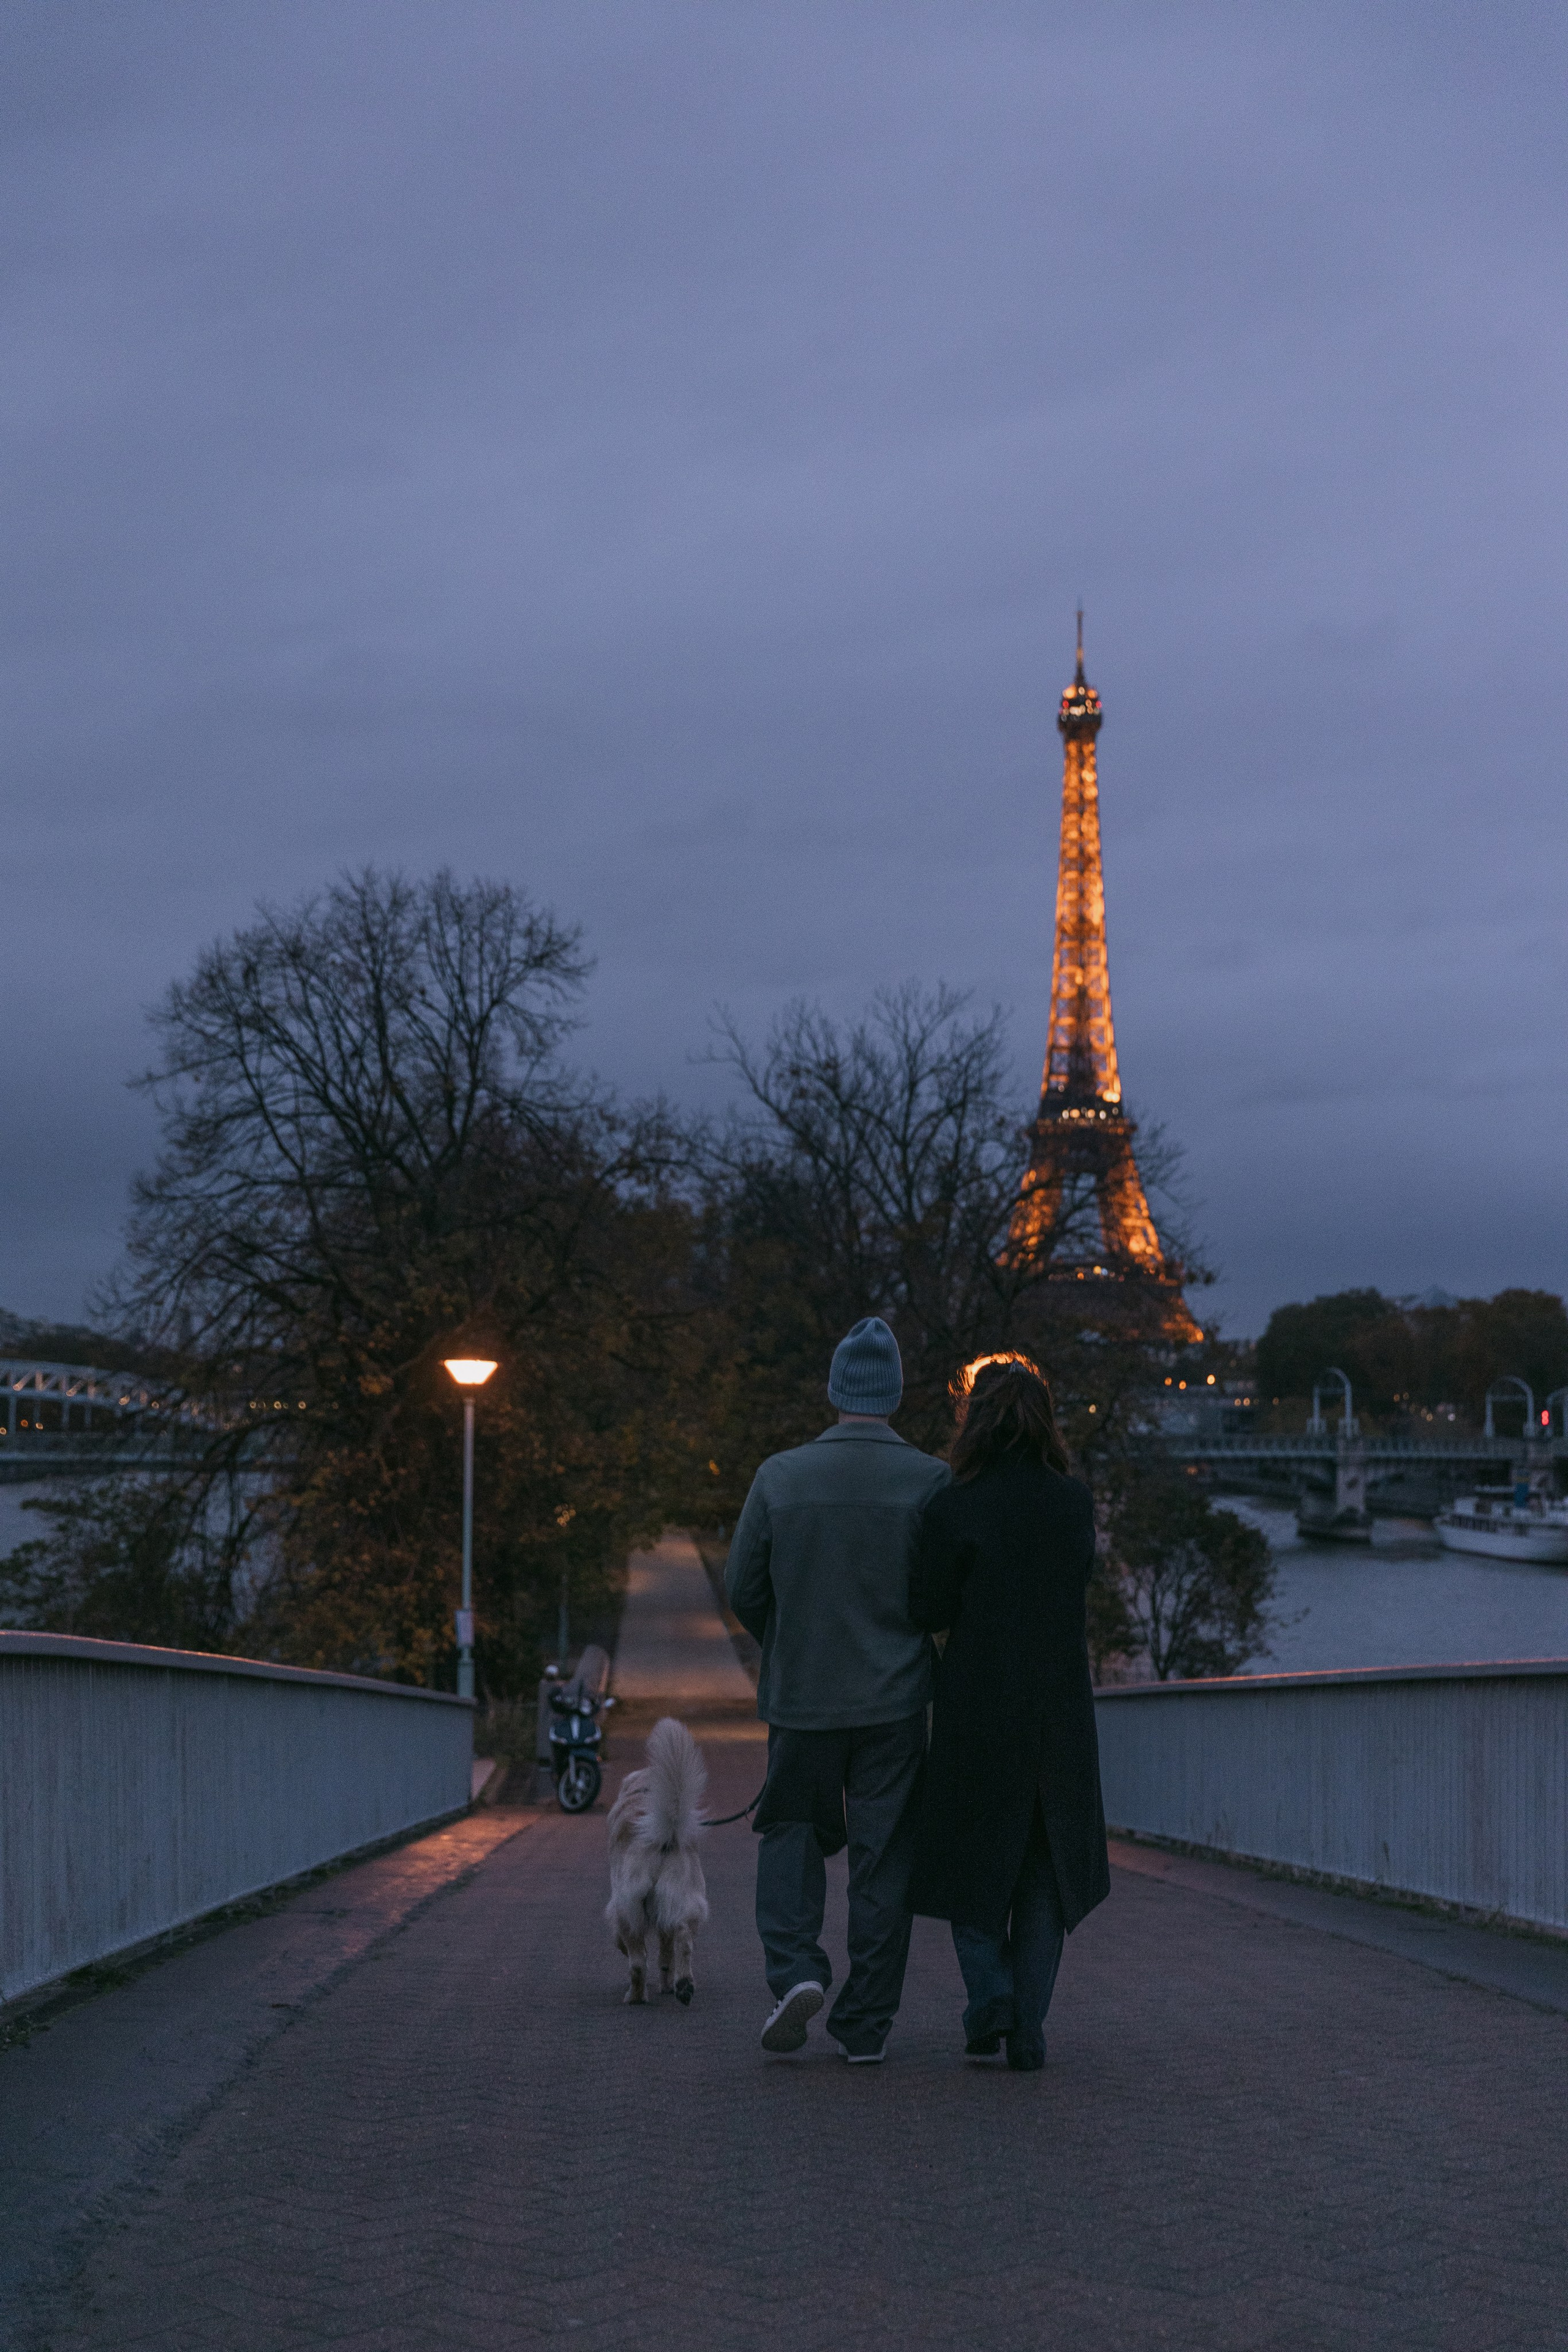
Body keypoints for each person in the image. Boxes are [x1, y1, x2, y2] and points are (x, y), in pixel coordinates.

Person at [725, 1316, 951, 2063]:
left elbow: (742, 1587)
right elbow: (942, 1599)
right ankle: (866, 2025)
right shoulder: (930, 1481)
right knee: (883, 1859)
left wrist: (788, 1643)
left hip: (802, 1699)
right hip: (893, 1705)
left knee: (789, 1834)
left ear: (833, 1388)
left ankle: (794, 1971)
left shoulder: (780, 1476)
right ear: (893, 1394)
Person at [907, 1352, 1109, 2071]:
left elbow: (926, 1607)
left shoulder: (954, 1504)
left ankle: (989, 1993)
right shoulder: (1073, 1503)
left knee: (971, 1864)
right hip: (1056, 1710)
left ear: (974, 1422)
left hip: (977, 1708)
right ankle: (1028, 2023)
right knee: (1042, 1872)